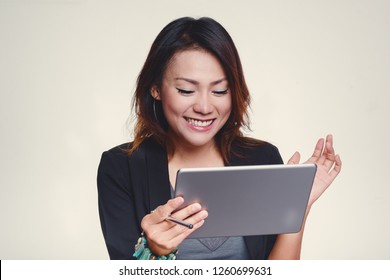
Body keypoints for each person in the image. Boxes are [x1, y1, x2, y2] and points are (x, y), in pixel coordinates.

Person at [97, 16, 342, 260]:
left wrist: (297, 209)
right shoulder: (120, 168)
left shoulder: (262, 159)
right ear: (156, 89)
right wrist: (155, 251)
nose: (204, 106)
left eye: (219, 90)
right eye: (186, 90)